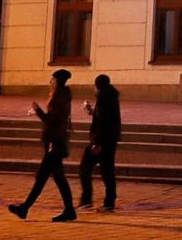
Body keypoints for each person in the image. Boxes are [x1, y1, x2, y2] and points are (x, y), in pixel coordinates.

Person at [8, 68, 76, 222]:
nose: (50, 82)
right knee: (56, 178)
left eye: (52, 79)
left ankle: (25, 208)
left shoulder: (59, 97)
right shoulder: (62, 96)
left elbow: (52, 121)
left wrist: (38, 110)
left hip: (54, 143)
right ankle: (67, 210)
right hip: (56, 143)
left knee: (44, 178)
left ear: (57, 81)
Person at [78, 74, 121, 211]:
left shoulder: (102, 98)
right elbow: (105, 117)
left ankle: (86, 199)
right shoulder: (111, 97)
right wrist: (92, 111)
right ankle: (109, 202)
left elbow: (103, 122)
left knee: (85, 168)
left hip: (101, 141)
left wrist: (97, 143)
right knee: (107, 172)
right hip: (110, 140)